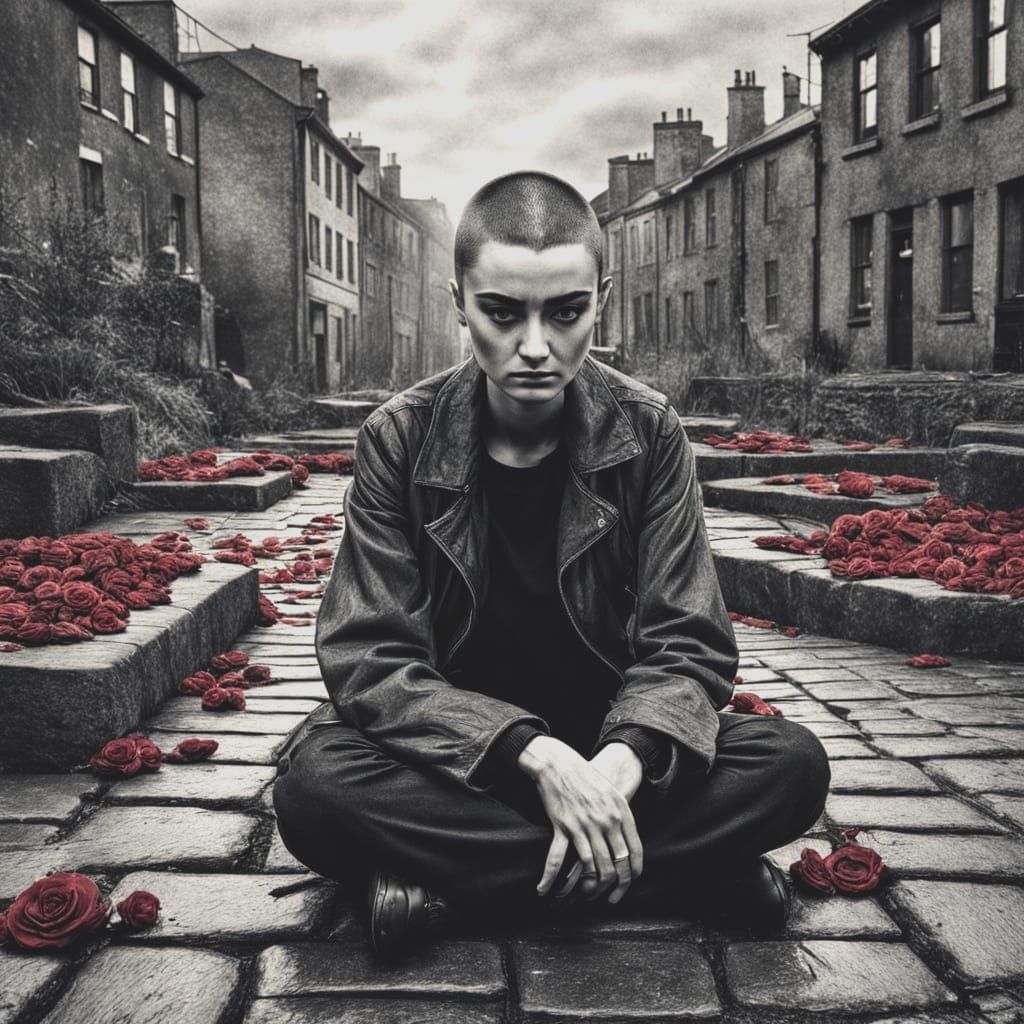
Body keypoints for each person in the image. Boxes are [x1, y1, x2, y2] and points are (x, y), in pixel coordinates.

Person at [272, 171, 830, 961]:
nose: (535, 347)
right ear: (458, 300)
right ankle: (690, 878)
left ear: (599, 299)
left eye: (565, 312)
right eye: (502, 312)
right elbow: (370, 658)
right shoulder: (399, 438)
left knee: (792, 764)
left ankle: (450, 894)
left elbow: (689, 646)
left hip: (611, 752)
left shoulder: (647, 431)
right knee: (313, 789)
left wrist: (615, 764)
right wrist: (530, 756)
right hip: (458, 761)